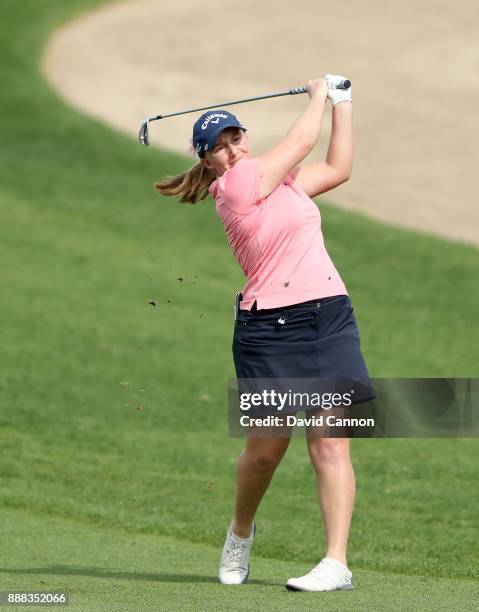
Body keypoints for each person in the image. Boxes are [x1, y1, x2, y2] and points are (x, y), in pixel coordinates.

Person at [155, 74, 374, 592]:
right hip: (269, 332)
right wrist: (317, 93)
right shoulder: (231, 187)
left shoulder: (283, 182)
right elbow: (301, 140)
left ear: (245, 140)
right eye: (220, 147)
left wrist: (342, 102)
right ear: (207, 161)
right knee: (265, 451)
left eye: (237, 139)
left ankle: (336, 563)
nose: (231, 151)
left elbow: (339, 167)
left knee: (331, 441)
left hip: (329, 317)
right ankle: (241, 532)